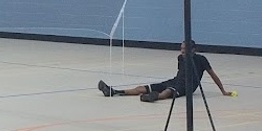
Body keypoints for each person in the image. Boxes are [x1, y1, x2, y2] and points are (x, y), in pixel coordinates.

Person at [98, 41, 232, 101]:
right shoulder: (180, 58)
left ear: (193, 50)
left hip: (187, 87)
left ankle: (154, 97)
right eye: (181, 49)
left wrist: (223, 91)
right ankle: (115, 91)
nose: (182, 51)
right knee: (144, 87)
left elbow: (213, 75)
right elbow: (180, 73)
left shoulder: (202, 59)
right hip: (175, 80)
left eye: (185, 49)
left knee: (167, 92)